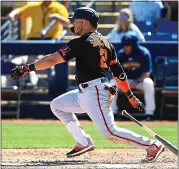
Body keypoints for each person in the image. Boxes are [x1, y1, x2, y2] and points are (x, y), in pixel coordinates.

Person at [10, 7, 164, 162]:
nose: (73, 24)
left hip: (95, 91)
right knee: (57, 105)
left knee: (109, 132)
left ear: (84, 22)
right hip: (86, 91)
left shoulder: (82, 42)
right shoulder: (106, 43)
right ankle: (84, 142)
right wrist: (130, 95)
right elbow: (119, 73)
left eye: (75, 21)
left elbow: (53, 59)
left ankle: (152, 145)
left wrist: (28, 68)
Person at [8, 0, 70, 88]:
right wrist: (12, 14)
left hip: (52, 38)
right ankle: (32, 82)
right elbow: (20, 11)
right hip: (34, 37)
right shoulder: (35, 6)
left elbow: (68, 23)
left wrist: (57, 17)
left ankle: (52, 82)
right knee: (31, 60)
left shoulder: (59, 7)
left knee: (51, 60)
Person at [110, 31, 155, 120]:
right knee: (111, 84)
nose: (126, 47)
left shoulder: (144, 53)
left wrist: (136, 82)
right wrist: (124, 82)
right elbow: (115, 71)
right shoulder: (121, 54)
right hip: (124, 81)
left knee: (149, 83)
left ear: (134, 45)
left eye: (128, 45)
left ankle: (149, 113)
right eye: (124, 45)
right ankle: (112, 112)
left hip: (139, 81)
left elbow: (147, 73)